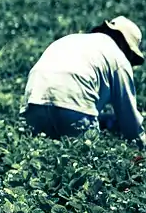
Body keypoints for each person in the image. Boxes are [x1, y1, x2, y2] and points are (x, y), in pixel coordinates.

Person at [20, 16, 146, 148]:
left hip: (34, 102)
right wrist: (140, 144)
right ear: (125, 44)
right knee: (83, 161)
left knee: (42, 157)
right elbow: (129, 119)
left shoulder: (71, 39)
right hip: (73, 107)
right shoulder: (119, 57)